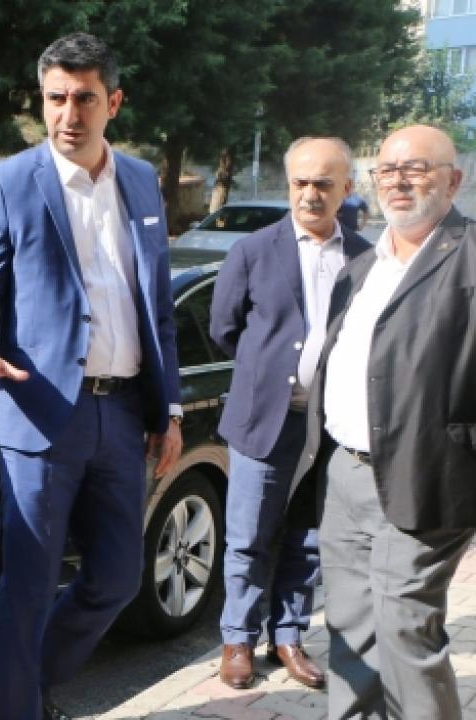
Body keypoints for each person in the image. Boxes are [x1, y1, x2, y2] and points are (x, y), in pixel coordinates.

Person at [0, 33, 182, 720]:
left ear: (114, 102)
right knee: (28, 585)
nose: (68, 114)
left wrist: (168, 409)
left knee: (119, 578)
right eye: (55, 98)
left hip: (123, 413)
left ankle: (29, 681)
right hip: (40, 412)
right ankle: (17, 708)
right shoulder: (9, 182)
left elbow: (156, 306)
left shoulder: (140, 180)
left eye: (84, 98)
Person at [289, 124, 476, 719]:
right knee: (349, 627)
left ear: (453, 181)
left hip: (426, 472)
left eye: (416, 168)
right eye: (387, 170)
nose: (398, 181)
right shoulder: (364, 265)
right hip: (344, 473)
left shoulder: (470, 257)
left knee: (404, 627)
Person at [208, 137, 371, 690]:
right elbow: (225, 329)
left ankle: (288, 638)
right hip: (263, 421)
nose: (310, 194)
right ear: (288, 185)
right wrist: (270, 374)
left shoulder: (367, 257)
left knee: (308, 538)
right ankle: (238, 640)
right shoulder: (253, 251)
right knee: (248, 538)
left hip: (331, 426)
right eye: (301, 182)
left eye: (324, 183)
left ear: (346, 188)